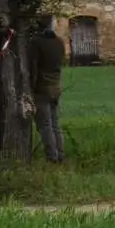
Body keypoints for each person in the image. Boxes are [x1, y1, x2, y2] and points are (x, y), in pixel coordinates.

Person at [29, 15, 66, 163]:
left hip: (42, 89)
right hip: (56, 86)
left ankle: (52, 157)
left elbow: (33, 68)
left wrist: (31, 88)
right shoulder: (58, 43)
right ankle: (60, 155)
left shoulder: (36, 43)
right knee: (55, 124)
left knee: (45, 125)